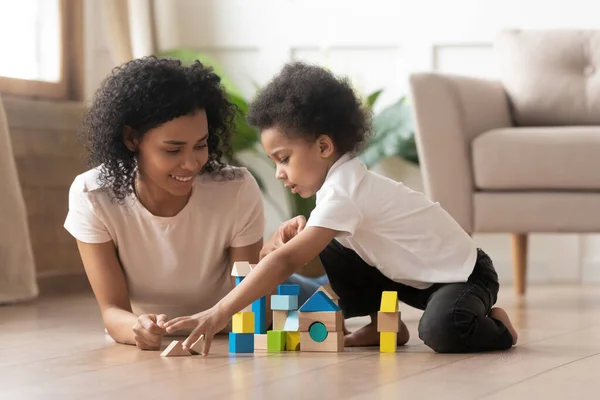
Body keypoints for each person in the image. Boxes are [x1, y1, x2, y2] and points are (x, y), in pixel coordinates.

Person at [164, 61, 518, 355]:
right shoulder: (339, 186)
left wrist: (218, 312)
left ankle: (498, 327)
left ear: (323, 146)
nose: (278, 173)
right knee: (330, 241)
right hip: (411, 276)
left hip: (464, 276)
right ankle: (383, 326)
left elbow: (288, 261)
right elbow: (301, 254)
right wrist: (280, 245)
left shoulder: (345, 190)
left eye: (284, 159)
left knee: (443, 331)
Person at [64, 57, 323, 351]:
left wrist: (267, 256)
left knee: (330, 296)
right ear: (131, 138)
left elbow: (249, 300)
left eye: (201, 145)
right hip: (208, 324)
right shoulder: (93, 195)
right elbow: (112, 313)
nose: (191, 163)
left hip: (245, 309)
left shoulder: (234, 188)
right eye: (172, 149)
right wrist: (137, 328)